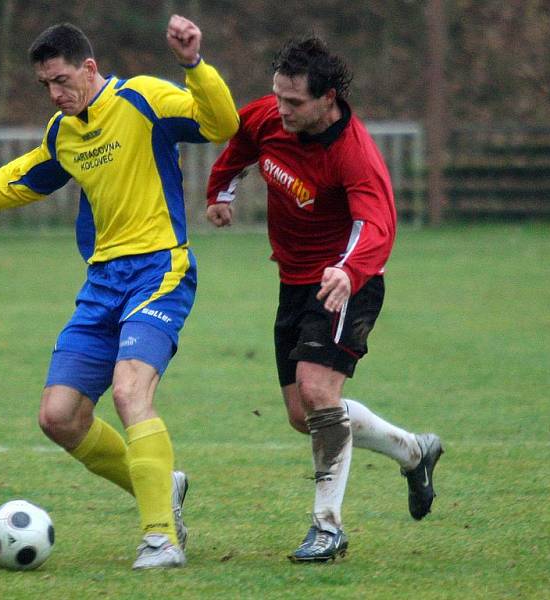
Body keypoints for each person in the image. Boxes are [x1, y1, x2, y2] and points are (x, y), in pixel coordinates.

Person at [0, 15, 239, 570]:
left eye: (62, 80)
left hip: (160, 269)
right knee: (59, 416)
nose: (55, 93)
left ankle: (161, 538)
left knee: (130, 391)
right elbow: (19, 178)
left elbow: (221, 122)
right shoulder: (63, 133)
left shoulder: (143, 98)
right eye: (45, 85)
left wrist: (193, 66)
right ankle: (163, 485)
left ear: (90, 67)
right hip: (102, 284)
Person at [205, 38, 443, 562]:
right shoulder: (272, 116)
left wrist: (348, 271)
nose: (280, 110)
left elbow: (376, 224)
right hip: (295, 282)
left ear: (327, 98)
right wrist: (220, 190)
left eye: (293, 103)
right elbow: (241, 141)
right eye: (277, 97)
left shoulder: (353, 153)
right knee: (302, 413)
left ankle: (328, 527)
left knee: (317, 391)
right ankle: (414, 450)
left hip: (347, 283)